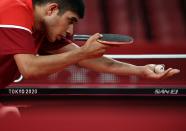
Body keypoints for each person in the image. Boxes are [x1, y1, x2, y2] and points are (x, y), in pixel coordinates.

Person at [0, 0, 180, 88]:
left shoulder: (43, 28)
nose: (70, 31)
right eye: (70, 20)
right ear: (52, 9)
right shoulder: (15, 10)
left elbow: (85, 59)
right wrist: (83, 53)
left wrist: (140, 71)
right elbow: (29, 68)